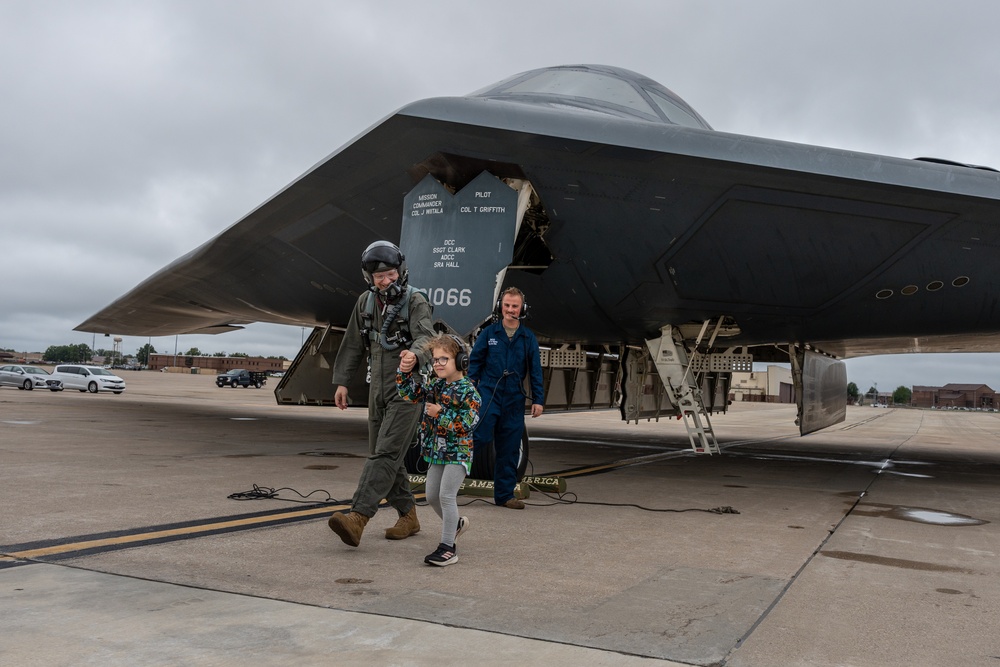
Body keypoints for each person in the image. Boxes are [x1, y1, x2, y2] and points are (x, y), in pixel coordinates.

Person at [327, 240, 435, 547]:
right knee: (387, 455)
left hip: (408, 389)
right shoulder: (364, 303)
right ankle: (409, 516)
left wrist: (414, 354)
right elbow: (351, 344)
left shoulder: (415, 300)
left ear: (399, 272)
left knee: (385, 453)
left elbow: (427, 337)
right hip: (378, 388)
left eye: (389, 274)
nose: (384, 280)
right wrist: (343, 382)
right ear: (369, 278)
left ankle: (358, 516)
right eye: (378, 276)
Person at [397, 334, 480, 566]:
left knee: (446, 495)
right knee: (432, 495)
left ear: (462, 361)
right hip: (437, 452)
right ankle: (455, 525)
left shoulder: (469, 392)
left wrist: (440, 414)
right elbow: (409, 394)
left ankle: (447, 548)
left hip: (458, 452)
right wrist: (404, 372)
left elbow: (467, 423)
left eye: (445, 359)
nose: (438, 364)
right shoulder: (435, 385)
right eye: (435, 360)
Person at [467, 287, 544, 509]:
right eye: (507, 305)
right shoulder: (489, 334)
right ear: (501, 307)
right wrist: (470, 389)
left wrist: (538, 399)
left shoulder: (528, 338)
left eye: (515, 306)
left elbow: (536, 371)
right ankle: (450, 483)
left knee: (509, 447)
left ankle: (504, 496)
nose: (510, 310)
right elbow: (475, 364)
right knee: (477, 437)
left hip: (514, 399)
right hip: (489, 394)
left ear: (522, 309)